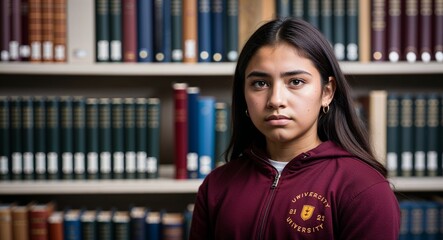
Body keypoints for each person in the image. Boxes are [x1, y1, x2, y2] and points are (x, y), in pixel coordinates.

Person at [189, 18, 400, 239]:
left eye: (296, 82)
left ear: (327, 92)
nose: (276, 100)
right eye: (260, 83)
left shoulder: (364, 189)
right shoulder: (217, 185)